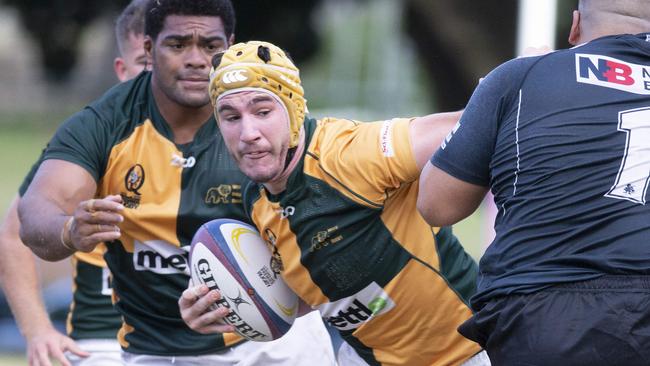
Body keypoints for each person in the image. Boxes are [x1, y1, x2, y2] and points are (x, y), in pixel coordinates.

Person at [17, 0, 336, 365]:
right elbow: (36, 211)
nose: (197, 59)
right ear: (149, 50)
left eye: (211, 46)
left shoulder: (267, 121)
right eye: (178, 44)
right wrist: (69, 230)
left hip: (274, 341)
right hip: (156, 350)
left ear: (229, 46)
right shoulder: (103, 125)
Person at [178, 40, 489, 366]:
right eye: (230, 117)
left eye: (263, 111)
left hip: (465, 352)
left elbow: (474, 124)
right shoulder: (256, 199)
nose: (248, 132)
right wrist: (223, 305)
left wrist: (520, 83)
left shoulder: (346, 155)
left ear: (294, 109)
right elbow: (312, 292)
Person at [416, 1, 650, 364]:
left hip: (546, 314)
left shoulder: (523, 76)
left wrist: (503, 89)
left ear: (574, 27)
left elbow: (437, 205)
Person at [0, 1, 149, 365]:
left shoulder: (236, 134)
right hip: (106, 339)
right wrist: (37, 330)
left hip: (210, 339)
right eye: (147, 66)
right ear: (122, 70)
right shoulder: (94, 136)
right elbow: (13, 234)